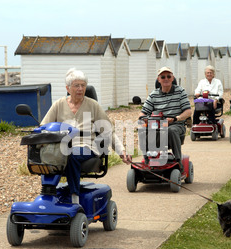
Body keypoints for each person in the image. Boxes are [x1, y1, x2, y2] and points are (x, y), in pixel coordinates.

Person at [41, 68, 131, 204]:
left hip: (87, 146)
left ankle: (74, 197)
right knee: (47, 155)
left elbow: (108, 131)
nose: (80, 89)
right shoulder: (59, 104)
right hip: (62, 146)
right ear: (68, 88)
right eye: (76, 85)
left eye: (83, 85)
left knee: (70, 154)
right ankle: (47, 195)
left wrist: (121, 151)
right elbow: (44, 127)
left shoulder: (93, 105)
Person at [138, 67, 192, 169]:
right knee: (142, 129)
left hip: (175, 124)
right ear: (159, 79)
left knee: (171, 130)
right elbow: (142, 113)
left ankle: (178, 160)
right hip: (157, 126)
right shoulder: (153, 95)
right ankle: (147, 158)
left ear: (173, 78)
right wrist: (144, 118)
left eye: (168, 76)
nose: (166, 79)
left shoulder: (180, 92)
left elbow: (188, 111)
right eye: (163, 77)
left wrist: (176, 118)